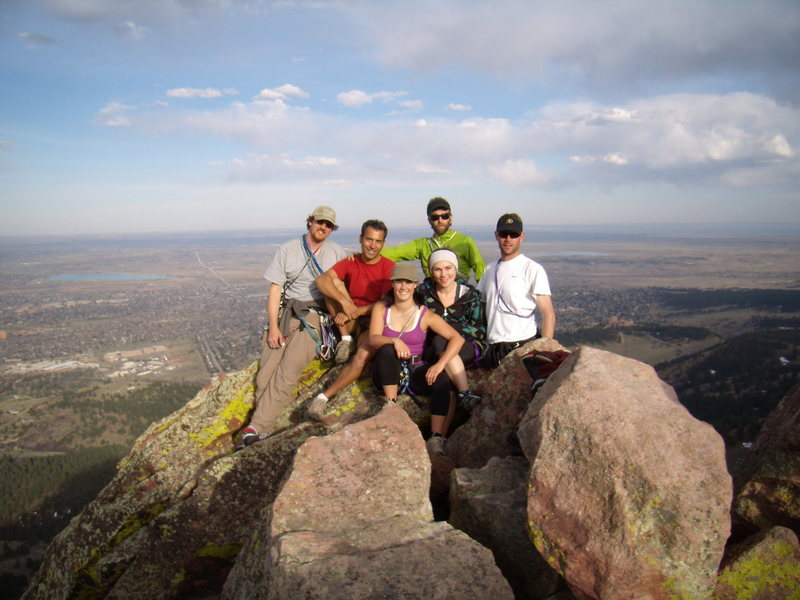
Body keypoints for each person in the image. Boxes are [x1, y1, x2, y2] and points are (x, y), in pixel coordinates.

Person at [239, 206, 347, 446]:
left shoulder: (337, 253)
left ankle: (255, 428)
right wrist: (274, 327)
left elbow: (345, 285)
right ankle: (263, 427)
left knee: (288, 372)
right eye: (320, 222)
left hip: (315, 316)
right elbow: (275, 289)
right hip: (286, 314)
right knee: (265, 375)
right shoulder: (288, 250)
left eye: (328, 225)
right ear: (309, 222)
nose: (323, 228)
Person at [369, 262, 465, 451]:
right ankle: (391, 406)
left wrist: (440, 365)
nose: (403, 287)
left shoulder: (424, 314)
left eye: (408, 282)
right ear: (392, 284)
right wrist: (394, 341)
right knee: (387, 350)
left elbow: (457, 338)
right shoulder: (382, 310)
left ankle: (436, 438)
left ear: (415, 285)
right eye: (398, 282)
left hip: (415, 369)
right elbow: (373, 339)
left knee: (443, 381)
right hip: (388, 370)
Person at [306, 220, 394, 419]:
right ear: (361, 239)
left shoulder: (388, 268)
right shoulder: (351, 262)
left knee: (361, 356)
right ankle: (345, 340)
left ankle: (322, 398)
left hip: (372, 322)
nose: (373, 245)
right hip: (350, 317)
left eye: (378, 241)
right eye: (369, 239)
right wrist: (345, 305)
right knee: (331, 285)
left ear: (383, 244)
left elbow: (383, 305)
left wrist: (355, 311)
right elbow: (321, 281)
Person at [478, 213, 556, 369]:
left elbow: (548, 313)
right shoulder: (489, 270)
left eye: (513, 235)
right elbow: (480, 308)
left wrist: (545, 351)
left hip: (522, 343)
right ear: (496, 236)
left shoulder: (532, 269)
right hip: (494, 346)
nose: (508, 239)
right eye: (503, 234)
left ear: (521, 236)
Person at [417, 248, 484, 419]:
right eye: (437, 269)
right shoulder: (422, 294)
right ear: (431, 271)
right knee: (440, 344)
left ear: (455, 269)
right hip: (433, 348)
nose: (443, 274)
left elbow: (480, 329)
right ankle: (464, 396)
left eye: (448, 268)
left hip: (467, 346)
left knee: (441, 340)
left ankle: (463, 394)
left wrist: (452, 329)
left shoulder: (469, 295)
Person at [381, 197, 486, 281]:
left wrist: (483, 297)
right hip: (432, 300)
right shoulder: (422, 245)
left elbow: (480, 269)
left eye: (444, 216)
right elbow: (394, 253)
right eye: (435, 217)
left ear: (451, 218)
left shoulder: (465, 242)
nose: (440, 220)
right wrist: (369, 253)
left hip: (459, 300)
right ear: (429, 220)